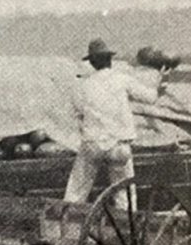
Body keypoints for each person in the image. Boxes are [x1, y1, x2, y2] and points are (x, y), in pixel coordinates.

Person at [64, 38, 161, 210]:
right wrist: (163, 81)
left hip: (93, 144)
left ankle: (67, 226)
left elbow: (76, 113)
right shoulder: (122, 79)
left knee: (77, 190)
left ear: (92, 63)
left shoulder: (83, 85)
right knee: (124, 192)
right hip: (119, 145)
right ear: (110, 60)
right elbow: (150, 98)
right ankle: (126, 227)